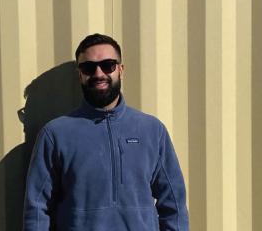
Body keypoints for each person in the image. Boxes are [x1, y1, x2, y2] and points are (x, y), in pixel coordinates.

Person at [23, 34, 189, 231]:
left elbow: (173, 204)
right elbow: (37, 209)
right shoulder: (55, 134)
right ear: (80, 74)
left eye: (108, 65)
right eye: (89, 67)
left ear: (120, 69)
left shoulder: (152, 130)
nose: (98, 73)